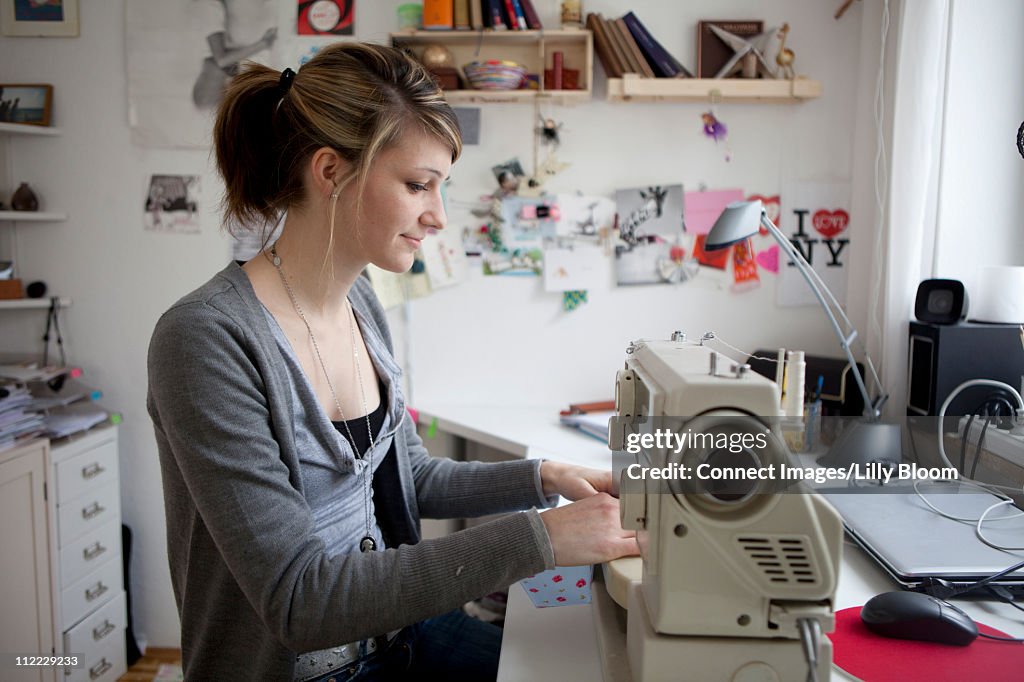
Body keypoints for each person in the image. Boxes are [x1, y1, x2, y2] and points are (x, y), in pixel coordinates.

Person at [147, 42, 637, 682]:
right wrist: (545, 541)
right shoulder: (206, 340)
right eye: (417, 185)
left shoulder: (361, 300)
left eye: (441, 187)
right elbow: (300, 599)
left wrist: (548, 476)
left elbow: (411, 475)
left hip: (400, 631)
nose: (437, 216)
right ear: (330, 172)